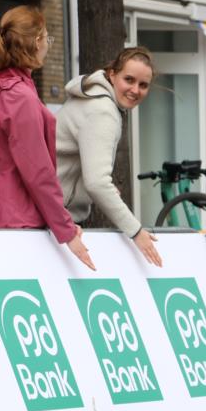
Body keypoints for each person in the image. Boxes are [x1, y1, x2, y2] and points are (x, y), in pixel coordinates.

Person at [0, 5, 94, 270]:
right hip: (17, 225)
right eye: (48, 38)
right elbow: (38, 173)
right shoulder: (19, 98)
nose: (48, 44)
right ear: (37, 42)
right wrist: (66, 230)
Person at [56, 46, 160, 267]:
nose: (135, 90)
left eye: (143, 85)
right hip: (51, 217)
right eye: (129, 79)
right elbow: (97, 182)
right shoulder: (103, 111)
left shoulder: (94, 98)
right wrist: (136, 231)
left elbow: (82, 167)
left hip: (51, 214)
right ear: (112, 74)